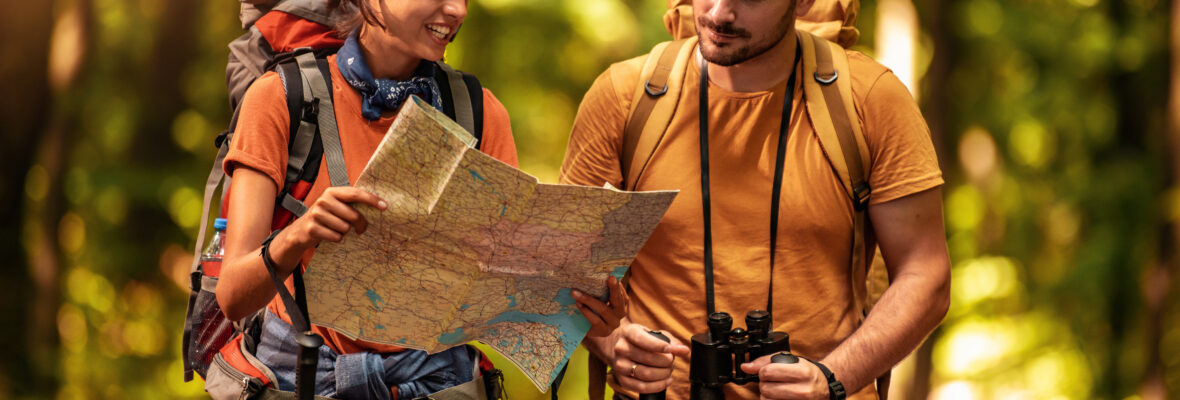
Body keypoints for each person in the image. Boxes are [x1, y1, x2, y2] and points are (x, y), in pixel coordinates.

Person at [564, 0, 951, 399]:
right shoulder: (623, 97)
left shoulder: (869, 98)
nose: (719, 13)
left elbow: (925, 274)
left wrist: (831, 377)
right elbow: (563, 276)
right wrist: (615, 344)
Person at [216, 0, 518, 398]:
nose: (457, 10)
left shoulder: (477, 113)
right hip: (302, 378)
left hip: (439, 380)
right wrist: (297, 235)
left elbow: (507, 299)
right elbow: (233, 297)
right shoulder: (281, 99)